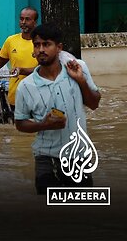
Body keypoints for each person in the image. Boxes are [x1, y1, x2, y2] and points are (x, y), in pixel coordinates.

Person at [14, 23, 101, 195]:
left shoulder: (78, 68)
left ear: (59, 47)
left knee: (80, 210)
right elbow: (20, 123)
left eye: (46, 44)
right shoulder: (26, 86)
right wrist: (43, 125)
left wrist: (81, 81)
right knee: (49, 214)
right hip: (46, 158)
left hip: (78, 157)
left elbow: (94, 104)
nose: (41, 50)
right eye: (37, 45)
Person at [0, 7, 39, 108]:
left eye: (27, 19)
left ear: (35, 22)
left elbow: (44, 69)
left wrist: (22, 70)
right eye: (21, 19)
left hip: (37, 97)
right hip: (15, 96)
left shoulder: (41, 43)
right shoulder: (11, 40)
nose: (23, 22)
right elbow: (0, 61)